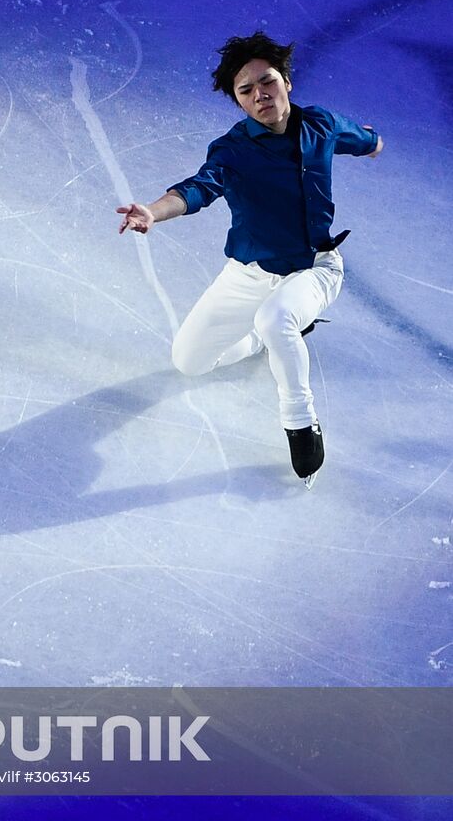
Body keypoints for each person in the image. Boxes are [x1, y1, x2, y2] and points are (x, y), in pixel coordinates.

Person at [117, 31, 382, 486]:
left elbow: (365, 140)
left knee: (276, 317)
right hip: (249, 273)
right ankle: (266, 341)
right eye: (247, 90)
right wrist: (153, 213)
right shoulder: (233, 151)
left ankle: (301, 425)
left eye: (269, 82)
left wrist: (373, 142)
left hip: (315, 267)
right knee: (189, 361)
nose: (261, 94)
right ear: (238, 102)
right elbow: (197, 189)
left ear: (287, 83)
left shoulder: (321, 125)